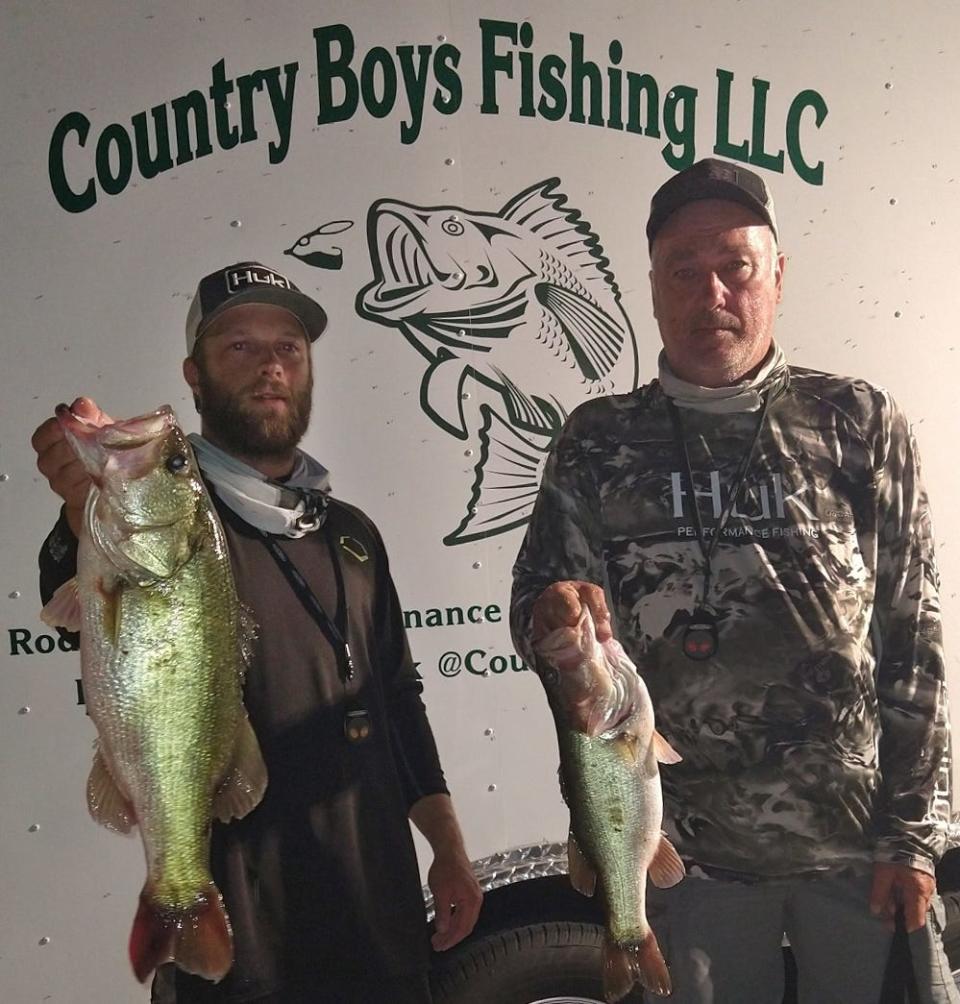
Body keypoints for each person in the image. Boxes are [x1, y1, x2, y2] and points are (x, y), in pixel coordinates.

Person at [510, 159, 957, 1003]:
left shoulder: (857, 421)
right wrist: (550, 612)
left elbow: (915, 638)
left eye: (735, 267)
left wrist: (914, 838)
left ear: (777, 278)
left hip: (856, 852)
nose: (709, 292)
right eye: (683, 270)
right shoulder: (597, 440)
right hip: (689, 863)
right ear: (653, 290)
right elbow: (534, 610)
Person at [32, 260, 482, 1004]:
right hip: (241, 951)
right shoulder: (165, 514)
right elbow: (73, 583)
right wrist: (81, 509)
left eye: (289, 348)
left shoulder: (352, 533)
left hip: (383, 932)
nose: (271, 364)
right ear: (195, 376)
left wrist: (449, 850)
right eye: (239, 347)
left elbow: (399, 699)